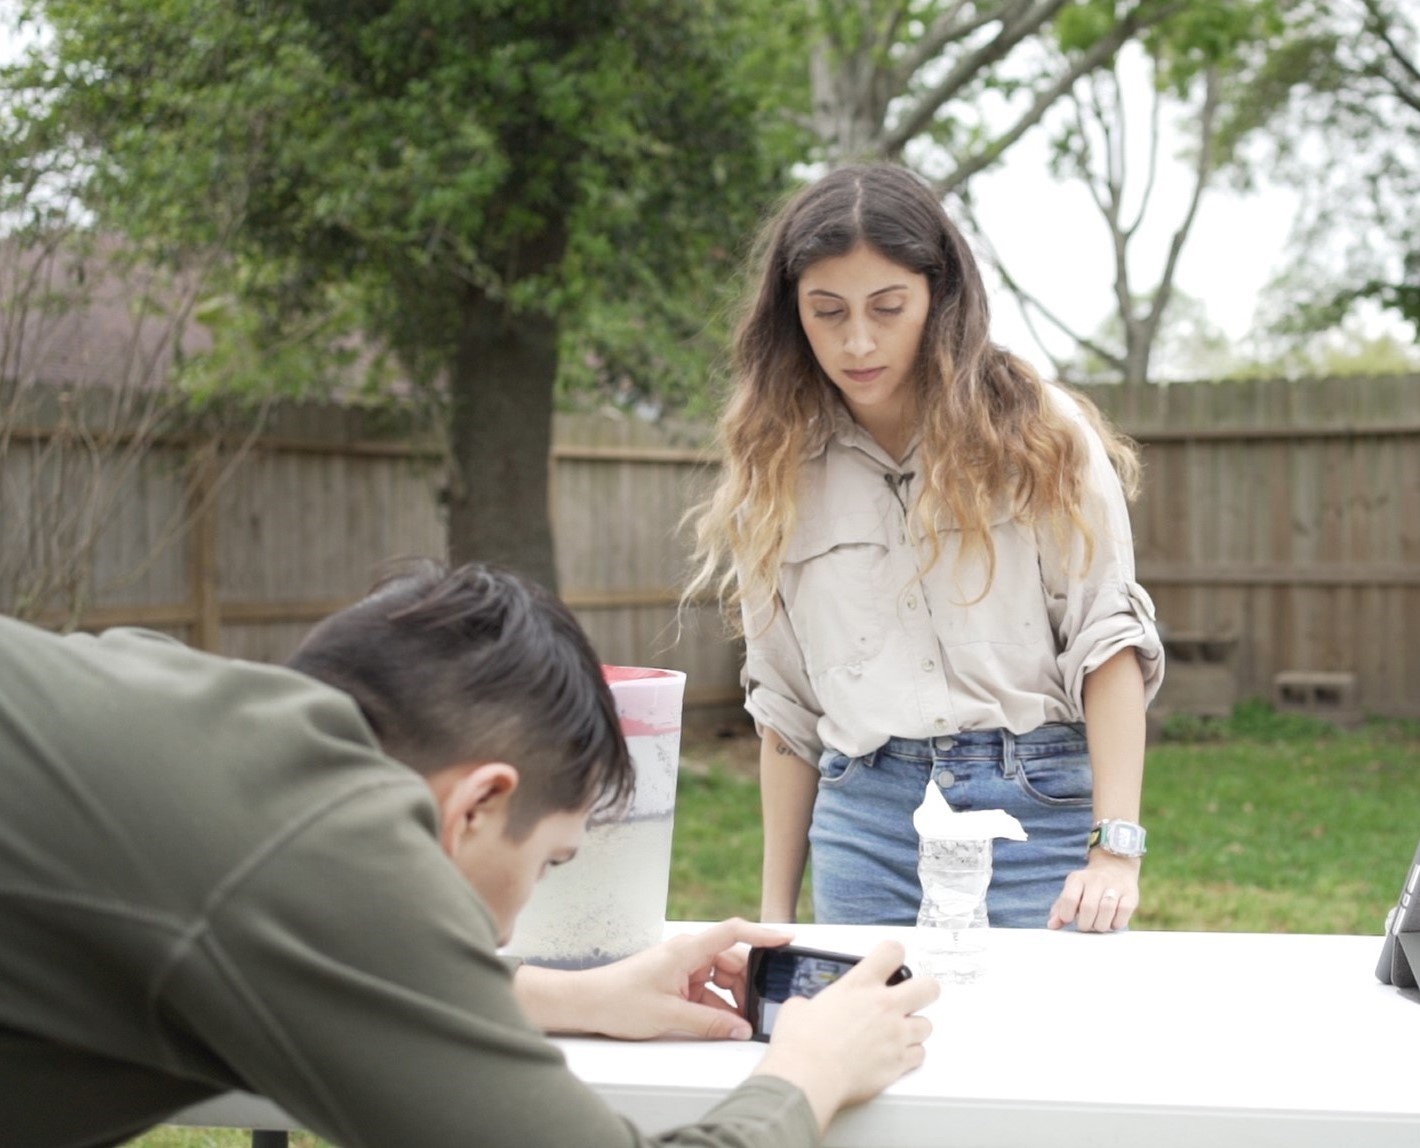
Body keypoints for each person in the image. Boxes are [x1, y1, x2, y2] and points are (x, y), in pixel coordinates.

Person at [0, 560, 937, 1148]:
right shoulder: (318, 849)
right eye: (551, 863)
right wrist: (808, 1073)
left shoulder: (166, 689)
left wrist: (573, 998)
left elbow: (300, 955)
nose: (515, 916)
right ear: (481, 806)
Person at [686, 164, 1166, 936]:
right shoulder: (772, 469)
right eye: (827, 311)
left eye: (887, 306)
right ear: (791, 314)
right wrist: (776, 914)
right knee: (872, 1050)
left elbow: (1107, 640)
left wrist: (1116, 850)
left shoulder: (1041, 437)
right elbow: (786, 707)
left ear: (939, 298)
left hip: (1034, 812)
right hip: (864, 824)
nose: (858, 340)